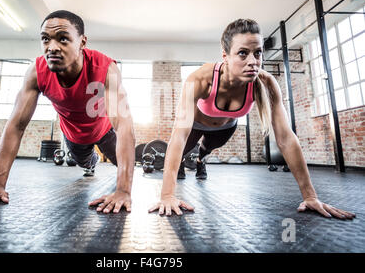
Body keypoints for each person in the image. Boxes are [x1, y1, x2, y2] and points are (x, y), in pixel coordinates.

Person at [149, 19, 356, 220]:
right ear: (225, 56)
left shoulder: (266, 83)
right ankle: (187, 162)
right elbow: (179, 135)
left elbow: (285, 138)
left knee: (205, 150)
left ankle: (200, 161)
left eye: (258, 53)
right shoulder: (201, 79)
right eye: (242, 53)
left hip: (225, 127)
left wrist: (310, 196)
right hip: (195, 125)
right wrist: (167, 196)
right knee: (183, 149)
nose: (253, 61)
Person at [0, 10, 135, 214]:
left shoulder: (105, 68)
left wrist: (123, 190)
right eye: (45, 39)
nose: (52, 47)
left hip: (105, 131)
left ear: (82, 42)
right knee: (84, 162)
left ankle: (102, 157)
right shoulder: (36, 72)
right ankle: (92, 159)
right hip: (74, 135)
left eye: (63, 39)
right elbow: (16, 125)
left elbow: (124, 125)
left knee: (124, 163)